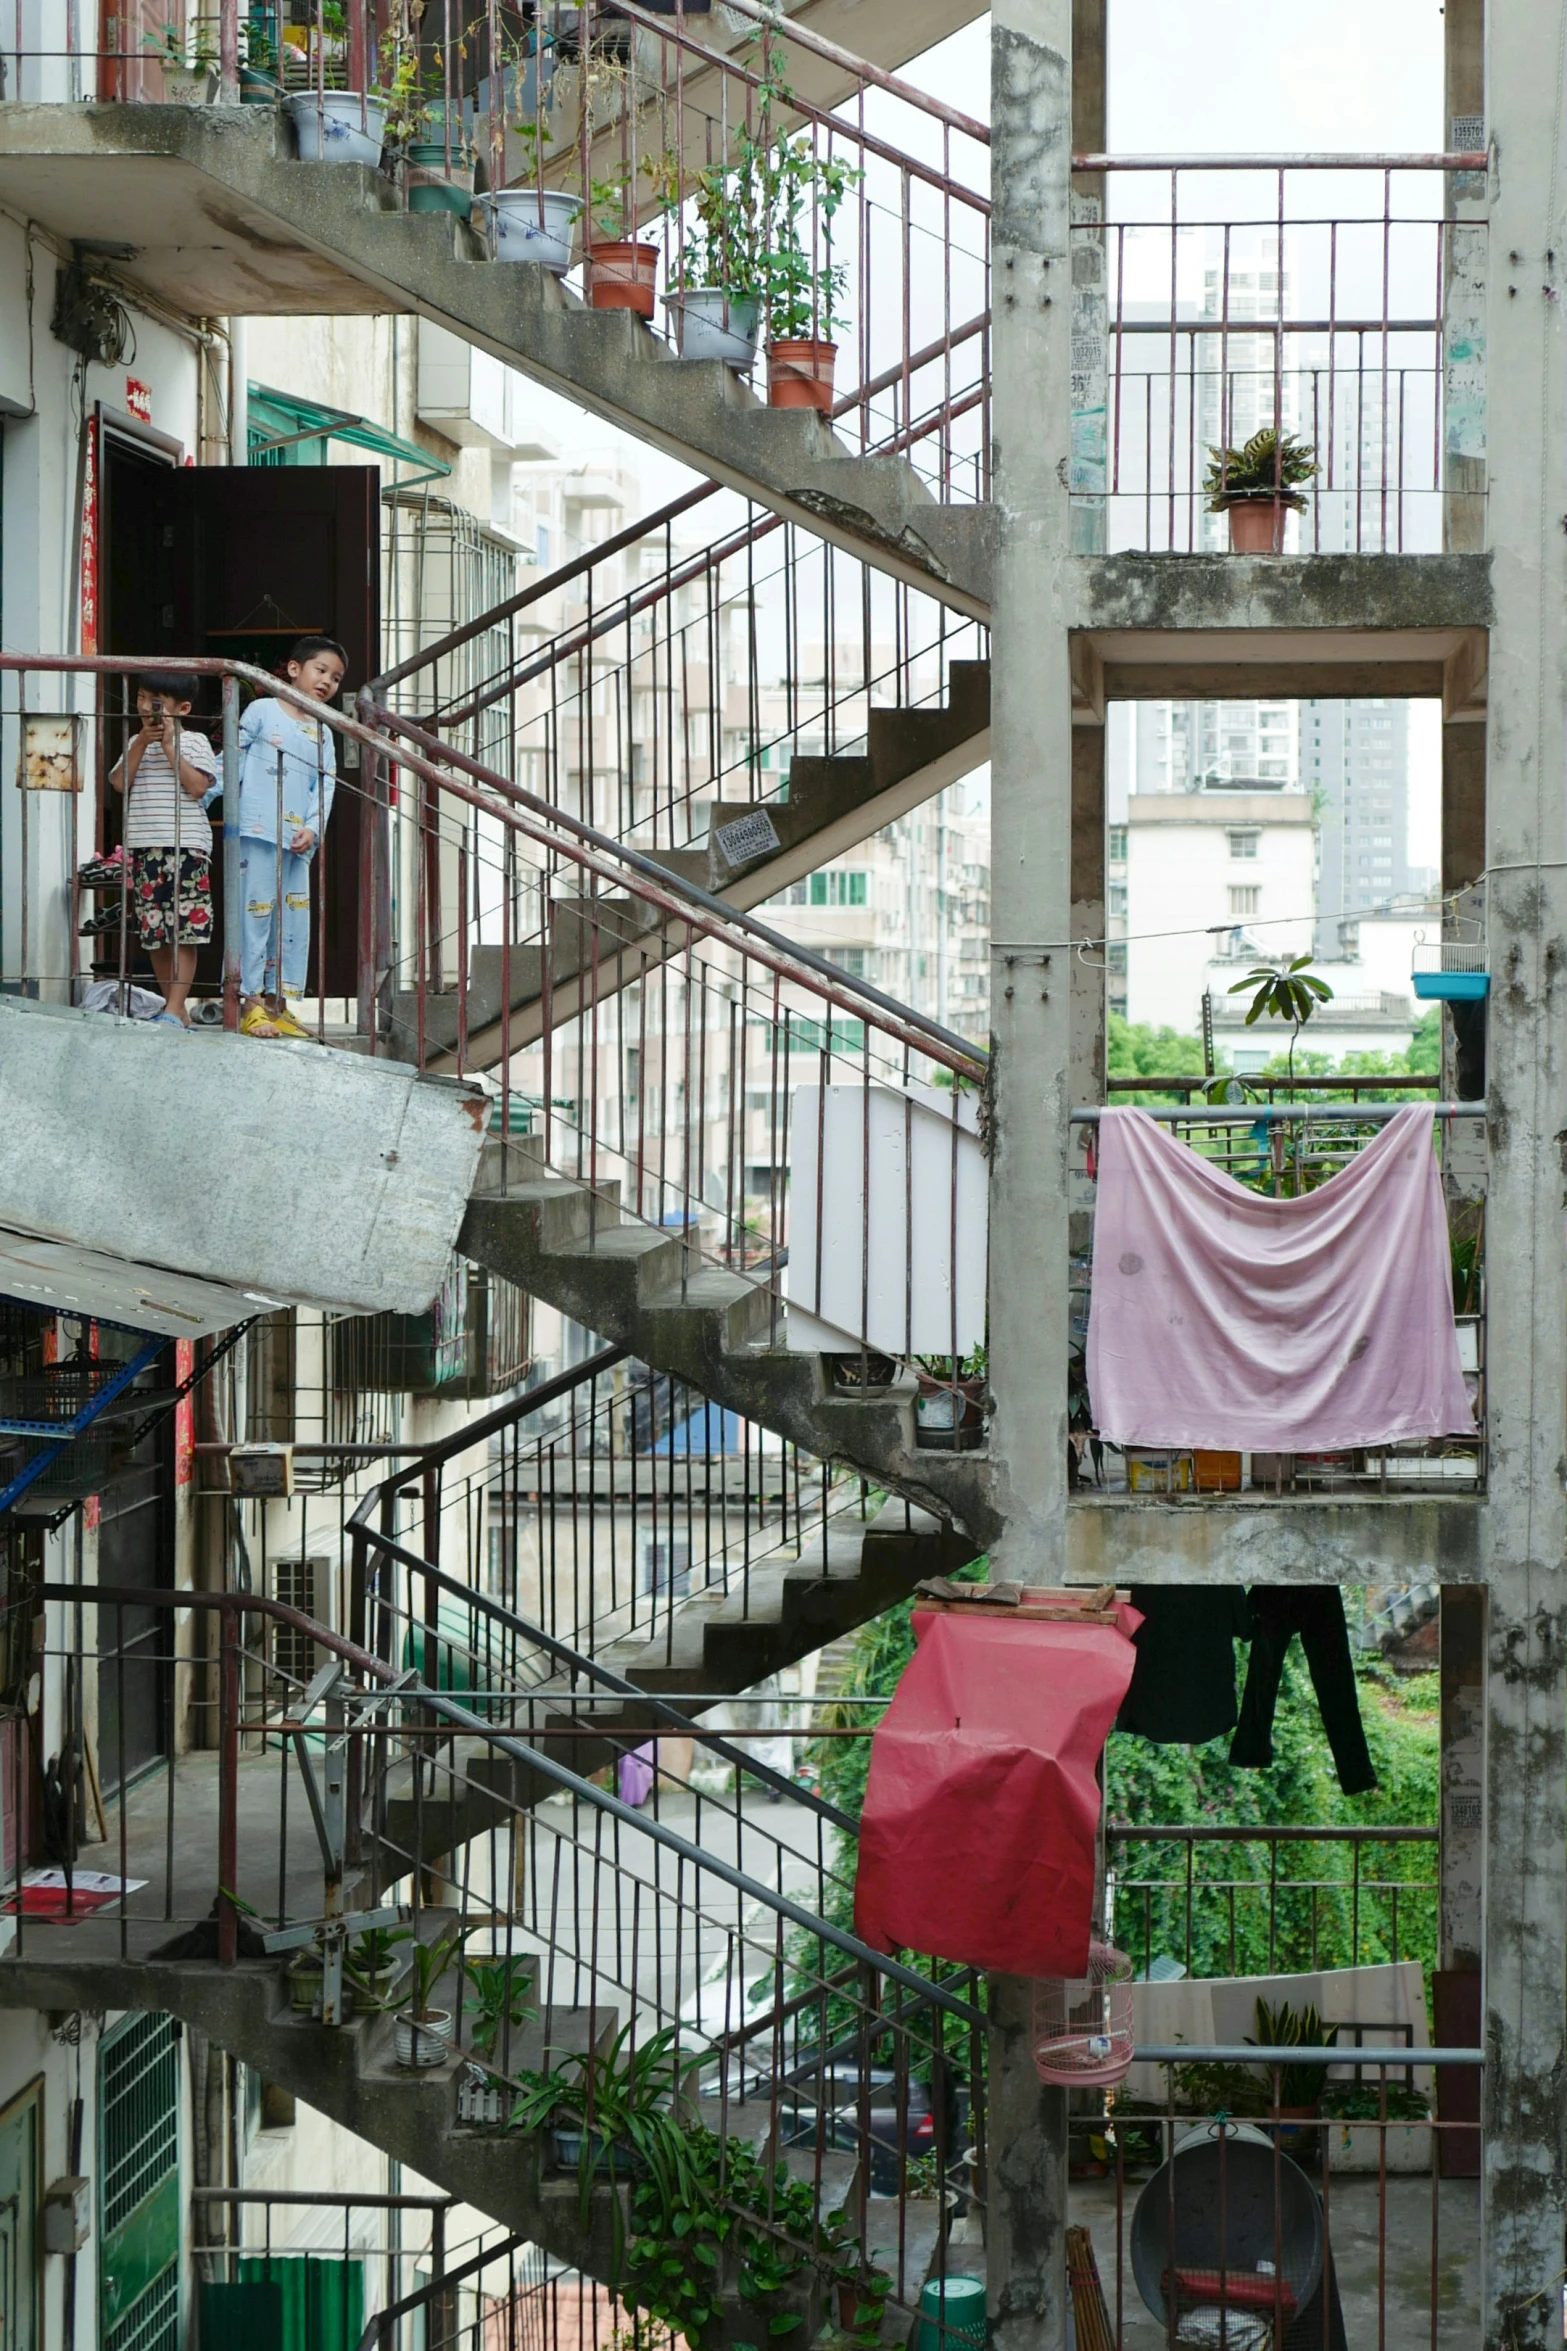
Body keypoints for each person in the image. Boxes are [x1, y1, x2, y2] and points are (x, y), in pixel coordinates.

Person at [232, 635, 346, 1039]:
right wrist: (205, 787)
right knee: (255, 915)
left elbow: (326, 784)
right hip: (257, 830)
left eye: (335, 678)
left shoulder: (325, 731)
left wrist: (314, 828)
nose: (327, 682)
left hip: (298, 840)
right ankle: (251, 1003)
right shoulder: (262, 710)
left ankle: (278, 1005)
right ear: (295, 669)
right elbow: (235, 755)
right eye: (321, 670)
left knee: (292, 920)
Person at [108, 670, 219, 1027]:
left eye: (155, 702)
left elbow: (198, 787)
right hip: (144, 846)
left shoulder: (196, 742)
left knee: (184, 929)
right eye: (141, 698)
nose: (144, 706)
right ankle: (177, 1009)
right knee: (154, 932)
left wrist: (170, 745)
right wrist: (142, 741)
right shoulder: (134, 742)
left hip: (186, 846)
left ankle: (173, 1007)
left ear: (182, 708)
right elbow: (119, 782)